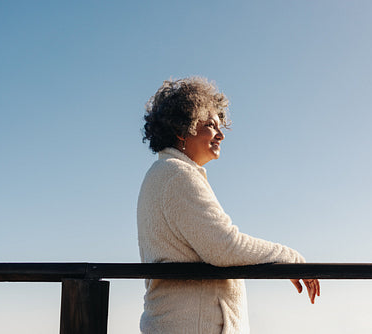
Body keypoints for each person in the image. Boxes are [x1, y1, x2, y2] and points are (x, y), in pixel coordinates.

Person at [137, 77, 320, 334]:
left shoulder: (163, 173)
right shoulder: (177, 175)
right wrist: (288, 258)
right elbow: (224, 247)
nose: (221, 135)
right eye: (211, 125)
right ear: (182, 129)